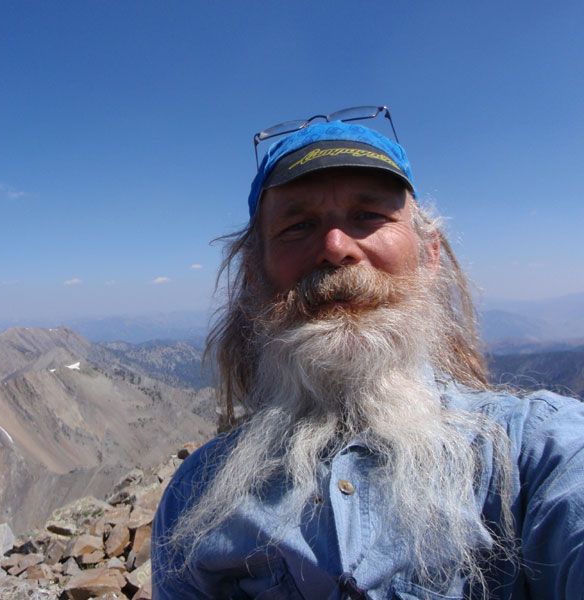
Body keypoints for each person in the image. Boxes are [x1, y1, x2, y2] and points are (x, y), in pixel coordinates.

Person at [150, 110, 584, 599]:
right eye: (298, 225)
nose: (336, 247)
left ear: (429, 253)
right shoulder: (194, 501)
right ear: (255, 272)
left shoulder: (537, 455)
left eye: (369, 216)